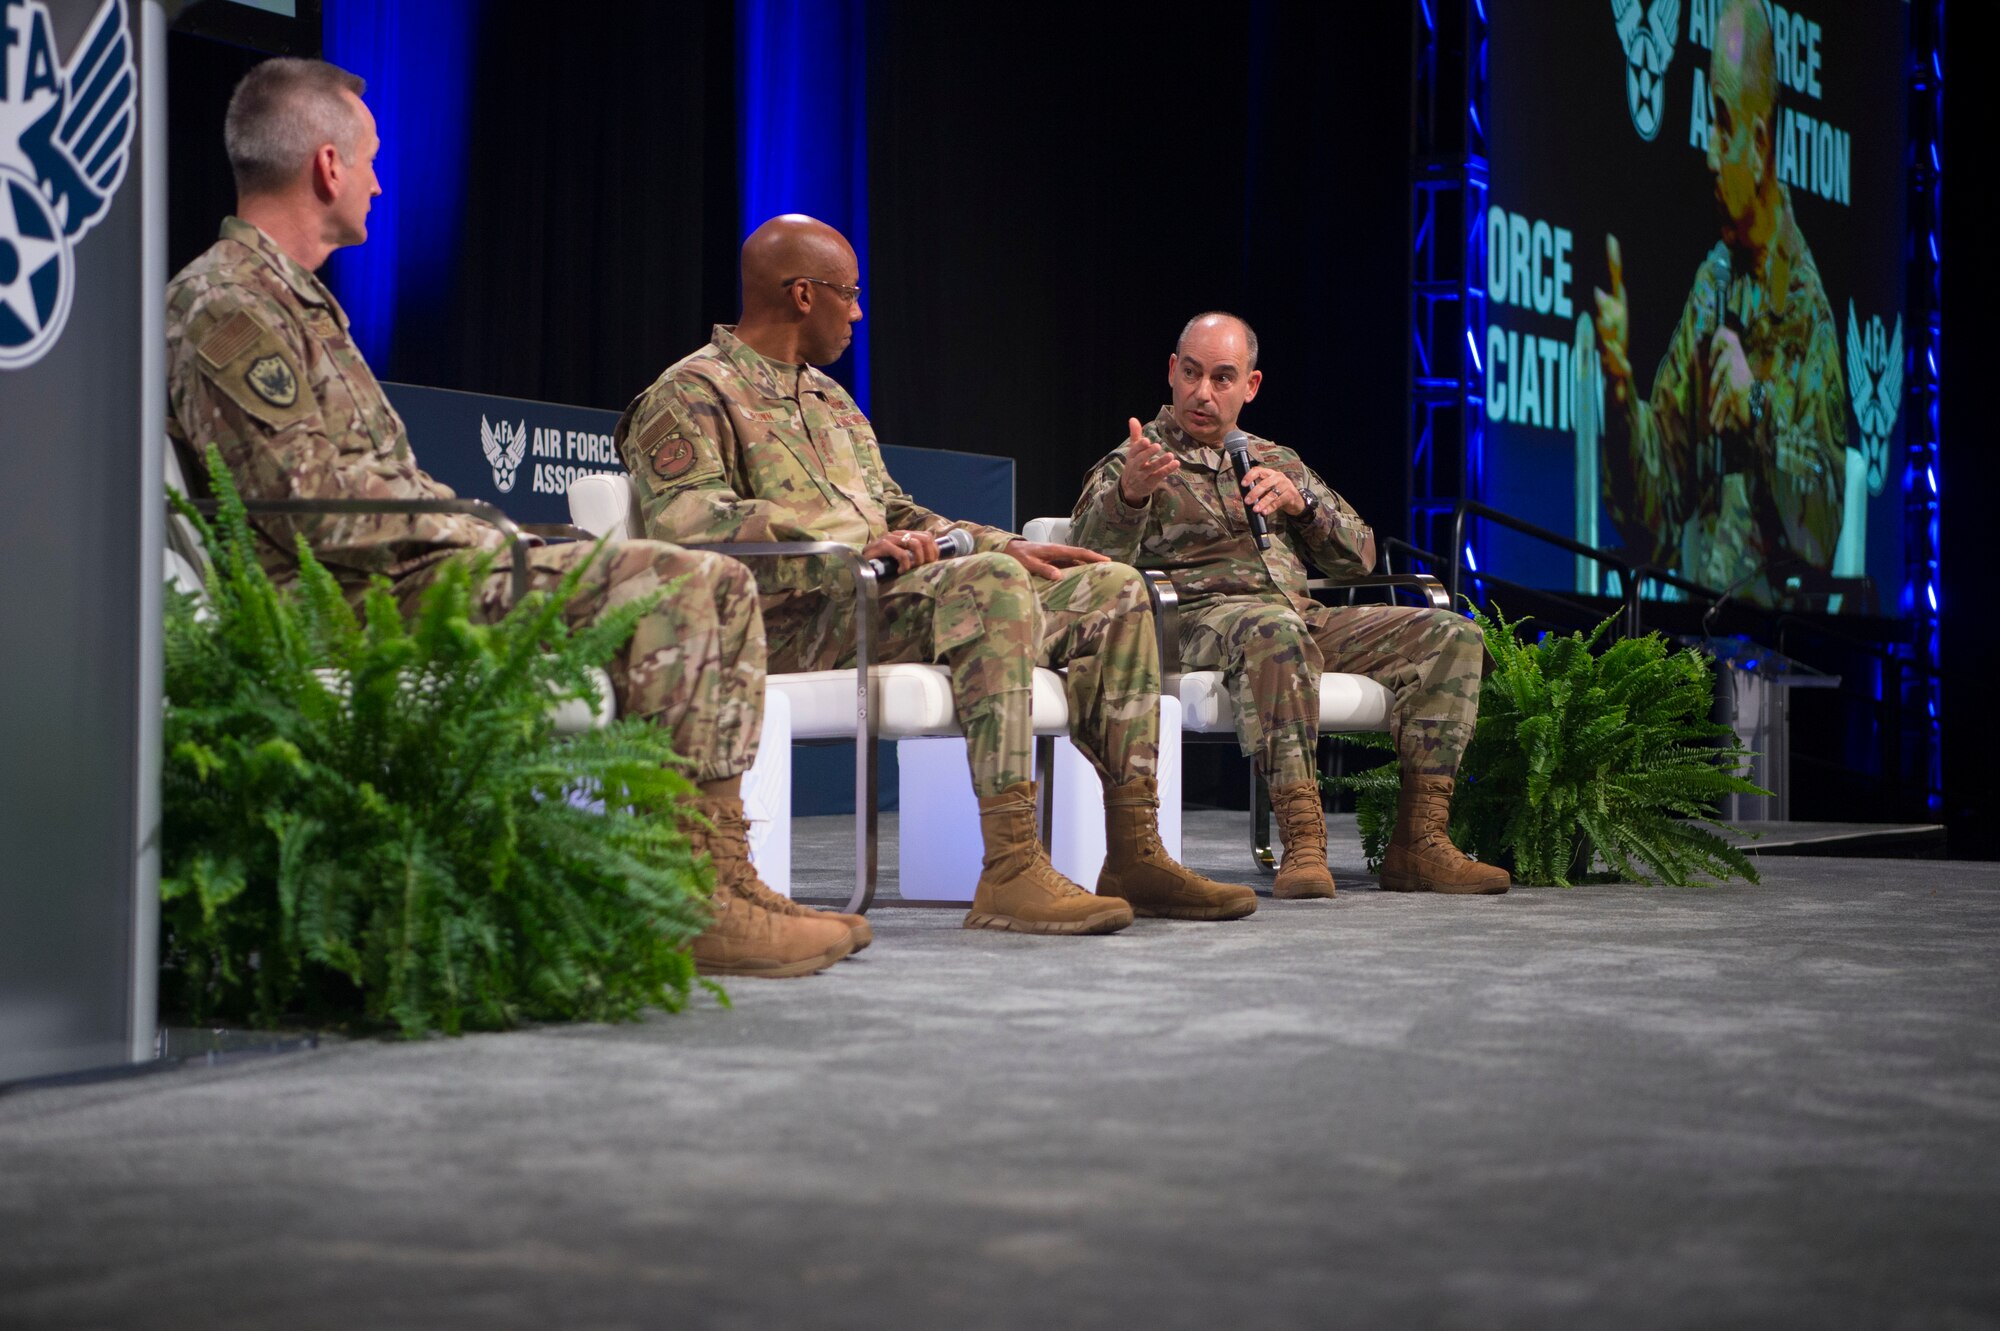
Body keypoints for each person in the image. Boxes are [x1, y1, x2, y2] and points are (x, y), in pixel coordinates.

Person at [165, 59, 858, 980]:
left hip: (403, 573)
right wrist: (485, 532)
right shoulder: (229, 305)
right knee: (687, 584)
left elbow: (366, 488)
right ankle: (687, 896)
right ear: (327, 167)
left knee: (714, 582)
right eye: (370, 159)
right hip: (347, 598)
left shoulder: (296, 302)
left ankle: (720, 876)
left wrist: (496, 534)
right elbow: (317, 514)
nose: (380, 179)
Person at [616, 215, 1257, 933]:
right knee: (987, 587)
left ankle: (1135, 849)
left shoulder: (829, 399)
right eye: (849, 294)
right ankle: (1010, 867)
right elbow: (692, 525)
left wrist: (1001, 541)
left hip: (872, 603)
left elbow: (893, 507)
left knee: (1112, 589)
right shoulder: (689, 393)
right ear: (803, 295)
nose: (858, 311)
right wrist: (857, 549)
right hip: (782, 621)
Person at [1070, 312, 1508, 897]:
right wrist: (1128, 495)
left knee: (1452, 634)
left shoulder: (1275, 459)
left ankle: (1419, 843)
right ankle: (1303, 842)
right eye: (1192, 374)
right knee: (1274, 629)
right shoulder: (1139, 461)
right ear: (1172, 373)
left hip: (1302, 619)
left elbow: (1361, 559)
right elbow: (1084, 566)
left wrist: (1303, 506)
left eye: (1222, 378)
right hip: (1196, 624)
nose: (1203, 392)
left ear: (1250, 386)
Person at [1592, 0, 1848, 605]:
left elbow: (1822, 531)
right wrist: (1622, 388)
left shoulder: (1807, 311)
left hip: (1775, 651)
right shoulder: (1713, 286)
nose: (1709, 153)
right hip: (1691, 639)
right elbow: (1655, 509)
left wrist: (1757, 411)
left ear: (1759, 144)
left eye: (1722, 124)